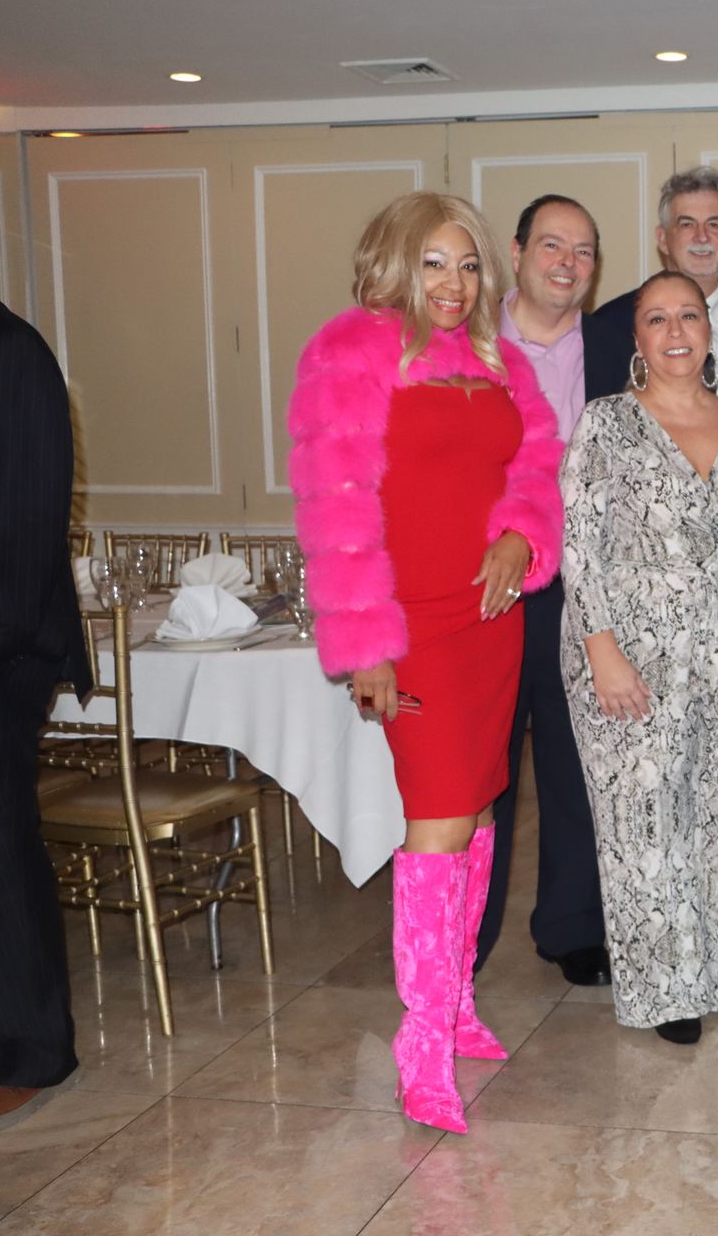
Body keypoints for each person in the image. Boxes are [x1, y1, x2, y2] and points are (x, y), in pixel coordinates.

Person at [290, 191, 565, 1134]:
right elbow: (337, 509)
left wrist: (520, 537)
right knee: (437, 825)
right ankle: (421, 1038)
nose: (455, 284)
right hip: (413, 631)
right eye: (436, 264)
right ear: (396, 263)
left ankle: (455, 1003)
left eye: (469, 265)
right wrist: (365, 645)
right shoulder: (351, 349)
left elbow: (536, 468)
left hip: (493, 620)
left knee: (481, 805)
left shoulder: (499, 358)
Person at [560, 271, 718, 1045]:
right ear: (637, 339)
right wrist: (603, 653)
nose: (676, 329)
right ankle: (664, 991)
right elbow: (580, 548)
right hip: (632, 656)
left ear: (710, 330)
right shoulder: (607, 424)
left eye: (689, 314)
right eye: (657, 318)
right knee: (645, 824)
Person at [477, 194, 612, 989]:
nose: (567, 262)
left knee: (574, 764)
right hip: (487, 585)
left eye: (585, 251)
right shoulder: (468, 342)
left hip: (578, 590)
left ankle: (572, 925)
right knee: (484, 771)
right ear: (519, 252)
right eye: (553, 245)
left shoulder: (613, 344)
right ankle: (469, 930)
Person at [0, 297, 90, 1124]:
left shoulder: (10, 351)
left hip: (5, 651)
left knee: (0, 842)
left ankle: (34, 1048)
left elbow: (26, 527)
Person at [588, 167, 718, 401]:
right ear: (662, 239)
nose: (702, 237)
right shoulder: (612, 323)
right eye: (687, 225)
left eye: (714, 225)